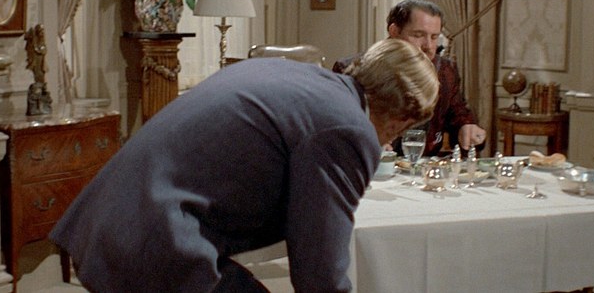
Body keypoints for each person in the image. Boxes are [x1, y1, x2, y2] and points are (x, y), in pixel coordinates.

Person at [49, 38, 438, 292]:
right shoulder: (347, 128)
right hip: (155, 243)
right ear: (401, 118)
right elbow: (320, 270)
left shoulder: (302, 79)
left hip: (113, 222)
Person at [333, 0, 486, 156]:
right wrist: (368, 140)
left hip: (423, 166)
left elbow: (458, 113)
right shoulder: (354, 69)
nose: (428, 46)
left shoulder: (445, 71)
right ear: (394, 32)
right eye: (418, 35)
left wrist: (466, 127)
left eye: (434, 37)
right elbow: (338, 128)